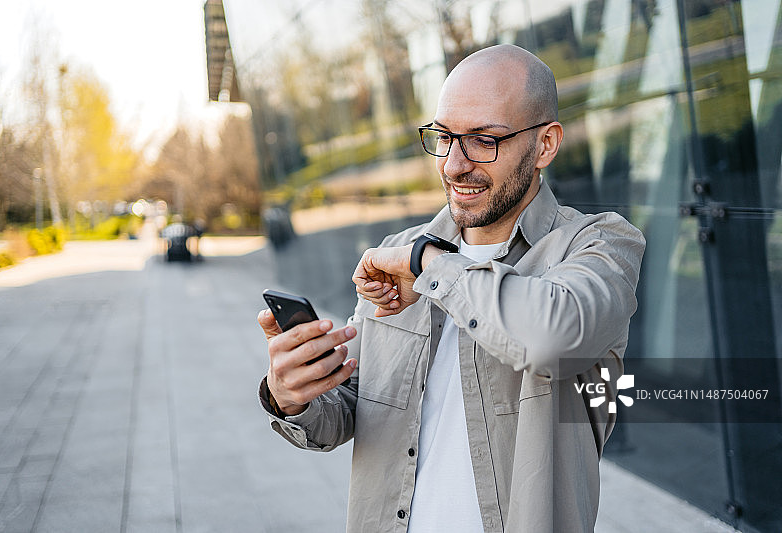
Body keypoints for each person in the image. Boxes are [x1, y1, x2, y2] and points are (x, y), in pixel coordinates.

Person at [257, 44, 645, 533]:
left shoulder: (601, 244)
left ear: (546, 144)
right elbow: (352, 409)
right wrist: (294, 395)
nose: (453, 164)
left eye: (484, 139)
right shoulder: (399, 250)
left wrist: (431, 265)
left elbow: (552, 336)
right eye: (444, 137)